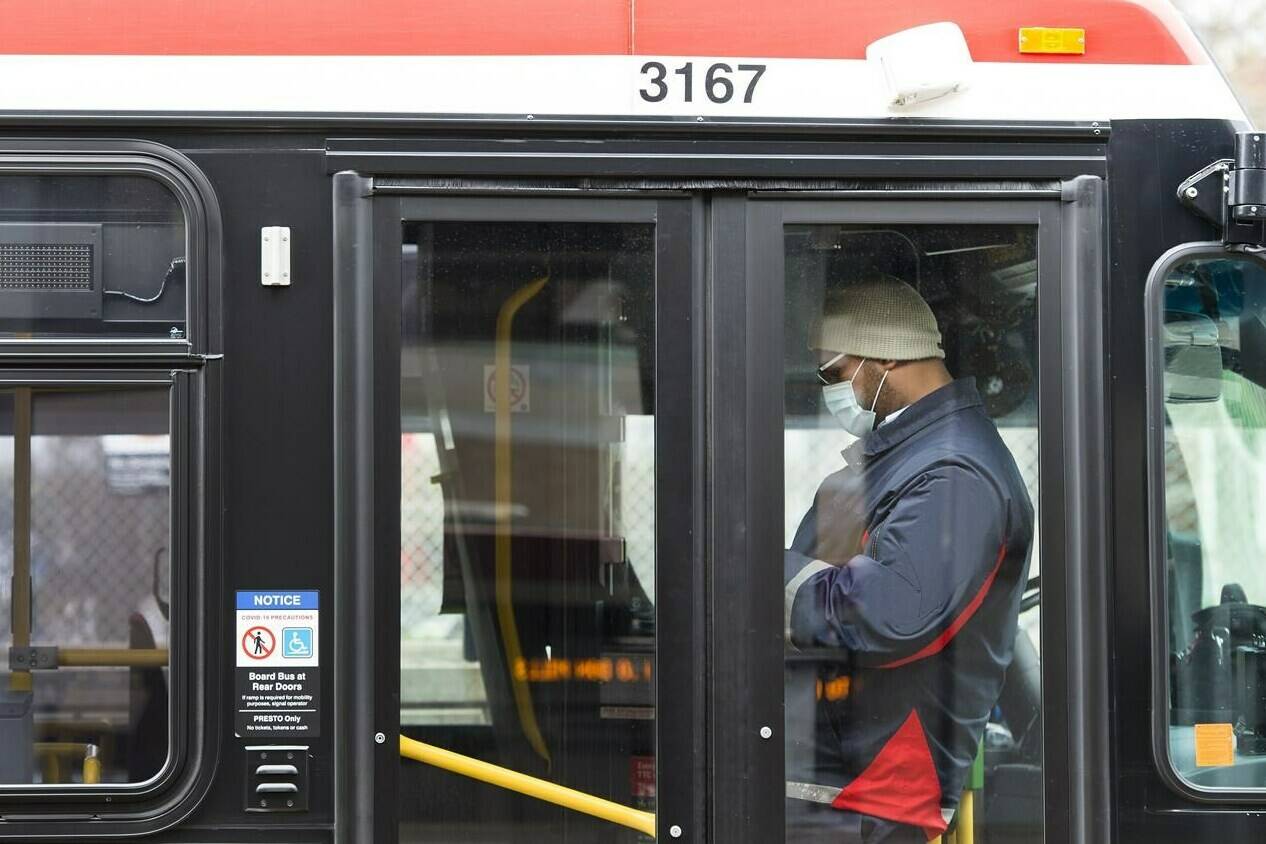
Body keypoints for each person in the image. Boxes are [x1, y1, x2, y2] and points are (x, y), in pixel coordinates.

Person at [784, 275, 1034, 843]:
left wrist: (751, 566)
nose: (830, 389)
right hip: (850, 777)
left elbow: (889, 612)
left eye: (834, 373)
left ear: (883, 358)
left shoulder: (954, 474)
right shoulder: (913, 458)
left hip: (880, 792)